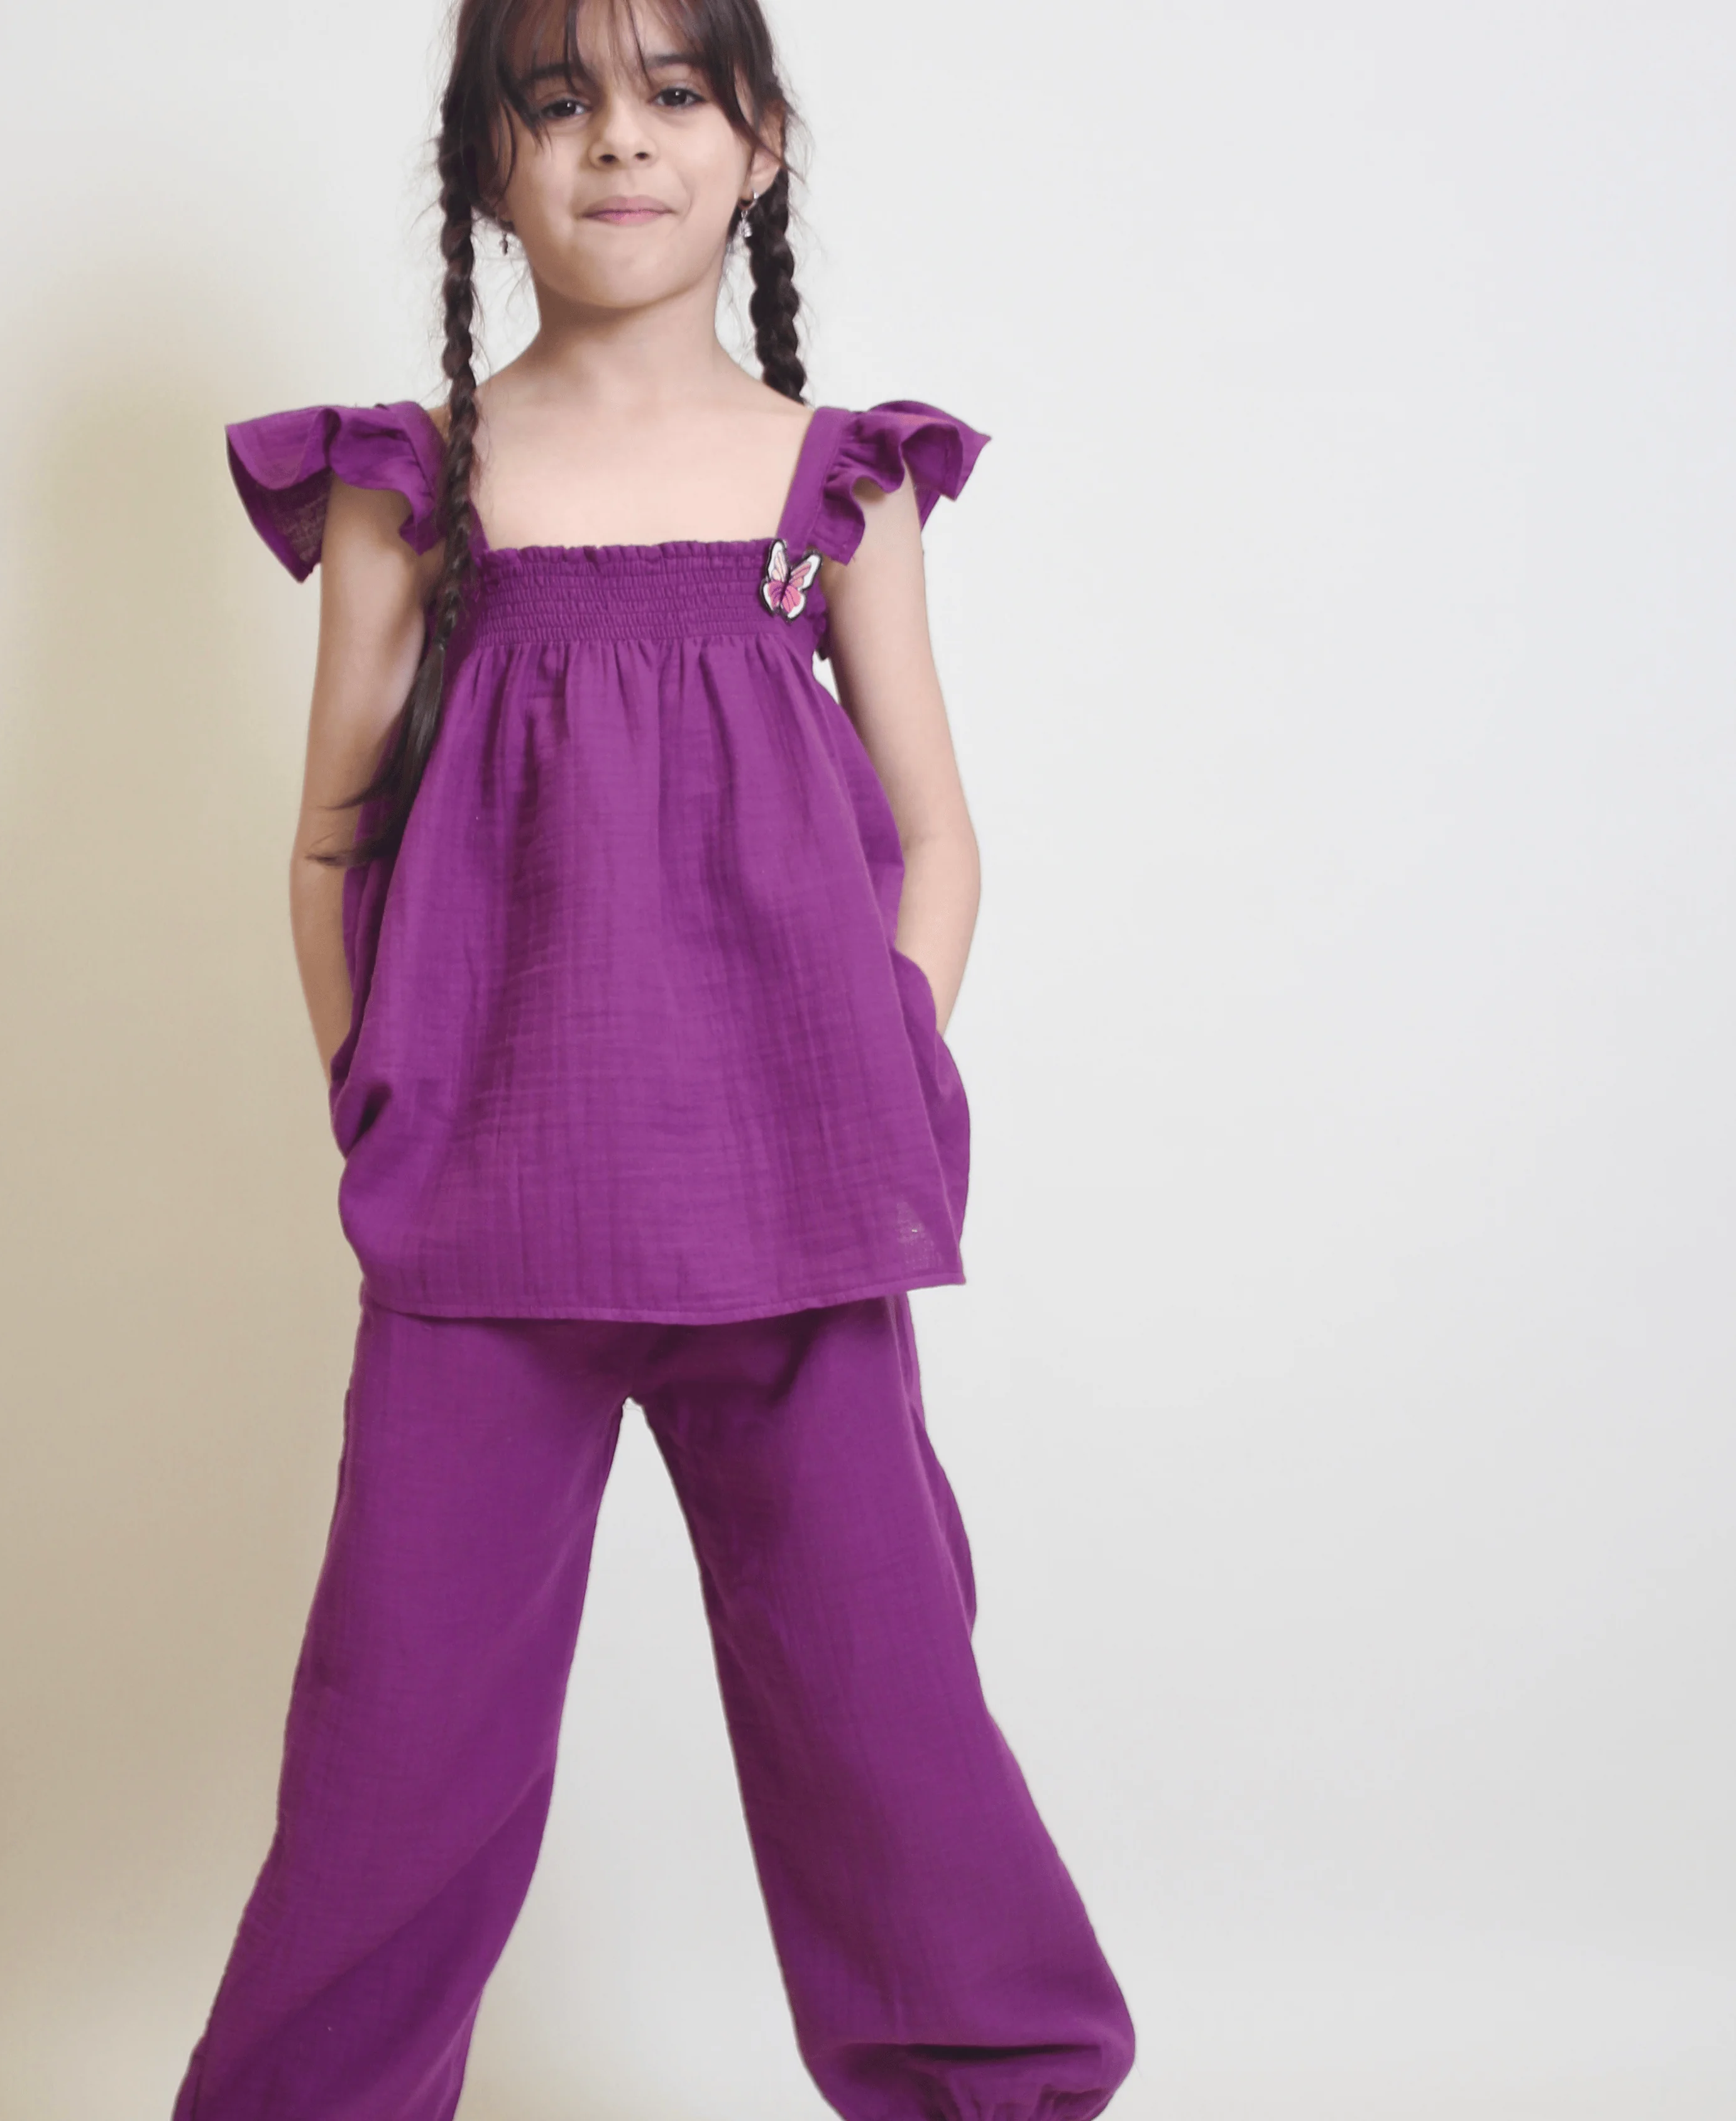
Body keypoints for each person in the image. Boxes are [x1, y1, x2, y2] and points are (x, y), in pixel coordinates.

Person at [172, 1, 1137, 2115]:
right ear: (485, 164)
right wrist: (385, 1096)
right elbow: (331, 843)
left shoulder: (837, 481)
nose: (620, 140)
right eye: (559, 100)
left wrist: (871, 1056)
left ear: (758, 142)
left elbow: (939, 833)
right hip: (484, 1207)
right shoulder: (410, 485)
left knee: (883, 1710)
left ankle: (989, 2090)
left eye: (673, 94)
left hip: (794, 1196)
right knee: (397, 1746)